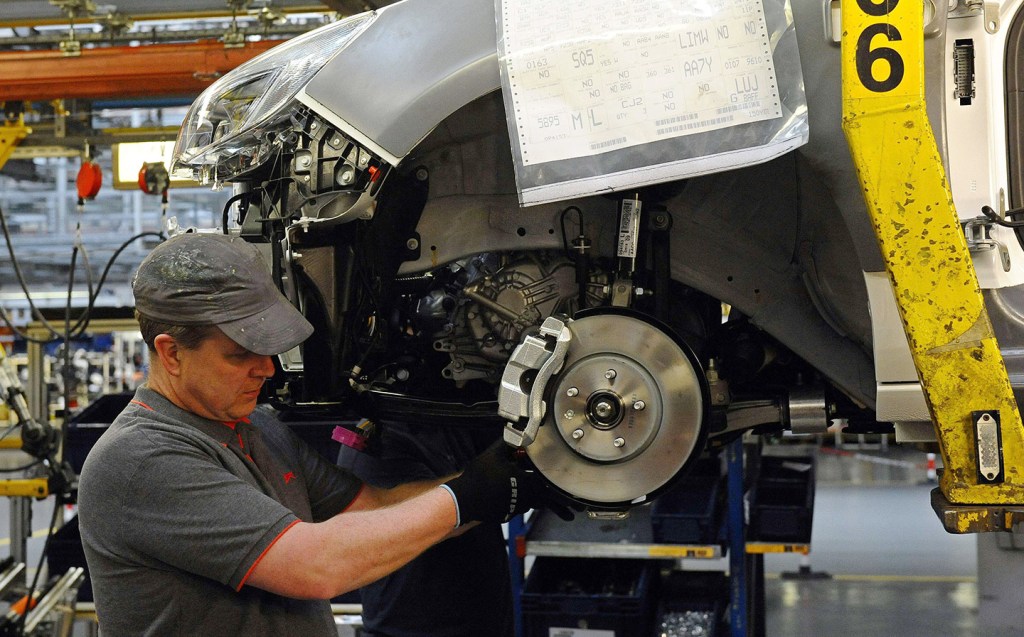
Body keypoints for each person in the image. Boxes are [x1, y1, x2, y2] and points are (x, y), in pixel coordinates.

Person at [77, 232, 543, 637]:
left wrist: (503, 488)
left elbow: (375, 507)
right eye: (242, 354)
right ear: (171, 353)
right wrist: (463, 496)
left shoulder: (255, 426)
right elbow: (315, 566)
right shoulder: (141, 458)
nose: (266, 368)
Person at [337, 421, 514, 636]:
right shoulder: (374, 441)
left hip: (486, 625)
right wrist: (507, 481)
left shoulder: (451, 422)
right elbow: (441, 519)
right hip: (408, 630)